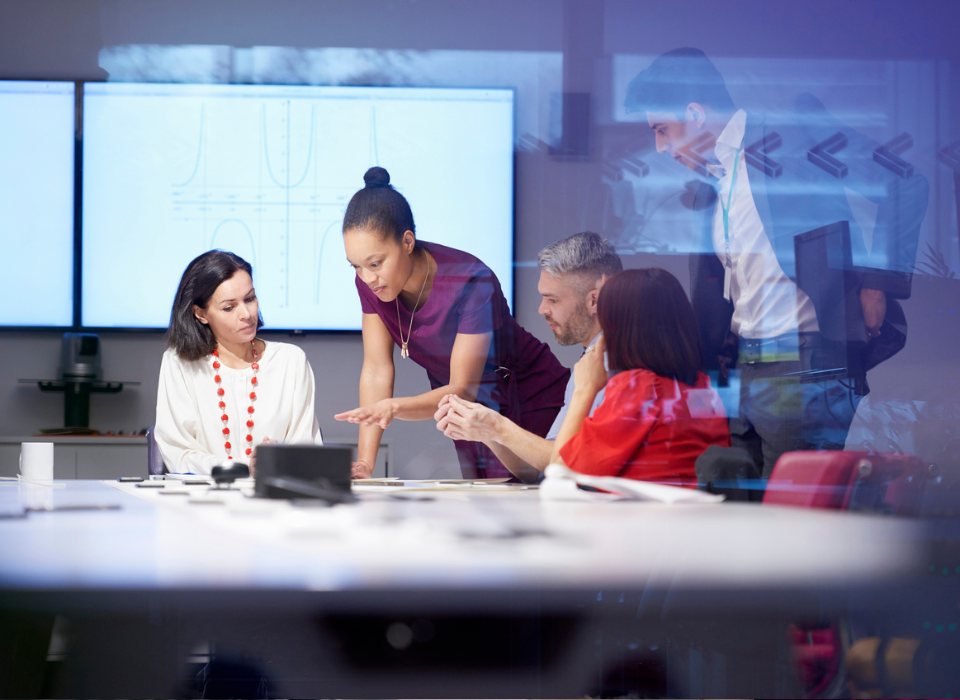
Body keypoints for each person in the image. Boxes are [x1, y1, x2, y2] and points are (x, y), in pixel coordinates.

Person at [624, 48, 928, 477]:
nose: (660, 147)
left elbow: (905, 183)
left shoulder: (791, 134)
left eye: (662, 129)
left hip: (802, 362)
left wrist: (876, 282)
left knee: (789, 515)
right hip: (744, 368)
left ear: (694, 113)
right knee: (740, 512)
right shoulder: (713, 182)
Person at [334, 167, 569, 480]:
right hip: (465, 410)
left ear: (407, 241)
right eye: (356, 266)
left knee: (544, 495)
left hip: (525, 392)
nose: (366, 277)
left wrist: (393, 407)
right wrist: (365, 462)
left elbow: (463, 388)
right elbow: (377, 369)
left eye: (375, 264)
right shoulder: (369, 282)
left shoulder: (469, 280)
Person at [434, 231, 622, 482]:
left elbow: (564, 464)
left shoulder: (618, 366)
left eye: (552, 299)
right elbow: (541, 469)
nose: (542, 309)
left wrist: (498, 427)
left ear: (594, 300)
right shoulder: (589, 363)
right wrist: (487, 432)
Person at [550, 268, 730, 483]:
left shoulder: (640, 389)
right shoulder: (703, 387)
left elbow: (560, 473)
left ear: (620, 330)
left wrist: (584, 390)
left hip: (643, 514)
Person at [155, 250, 323, 475]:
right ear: (201, 314)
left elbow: (306, 450)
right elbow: (179, 454)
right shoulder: (179, 363)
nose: (246, 313)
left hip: (275, 502)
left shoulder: (290, 361)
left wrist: (280, 459)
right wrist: (244, 468)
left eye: (250, 299)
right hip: (203, 503)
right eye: (229, 307)